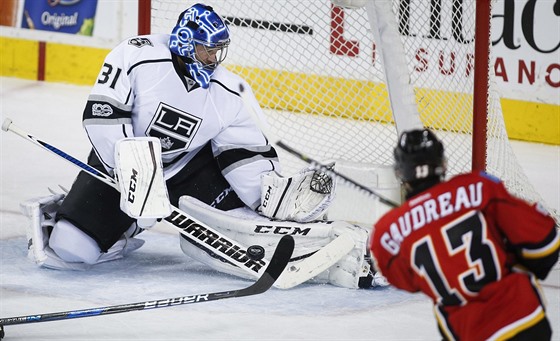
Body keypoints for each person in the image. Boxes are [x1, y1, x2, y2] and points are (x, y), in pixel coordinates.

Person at [21, 3, 377, 289]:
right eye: (206, 51)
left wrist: (267, 196)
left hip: (190, 171)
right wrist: (136, 176)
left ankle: (335, 253)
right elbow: (101, 115)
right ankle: (121, 226)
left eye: (217, 52)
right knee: (71, 250)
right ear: (184, 43)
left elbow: (244, 153)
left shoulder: (231, 92)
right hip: (117, 166)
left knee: (247, 230)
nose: (213, 60)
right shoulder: (136, 55)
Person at [370, 128, 559, 340]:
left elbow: (407, 281)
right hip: (524, 320)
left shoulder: (386, 232)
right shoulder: (478, 187)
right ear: (442, 163)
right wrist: (515, 261)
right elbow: (545, 242)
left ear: (400, 172)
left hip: (470, 331)